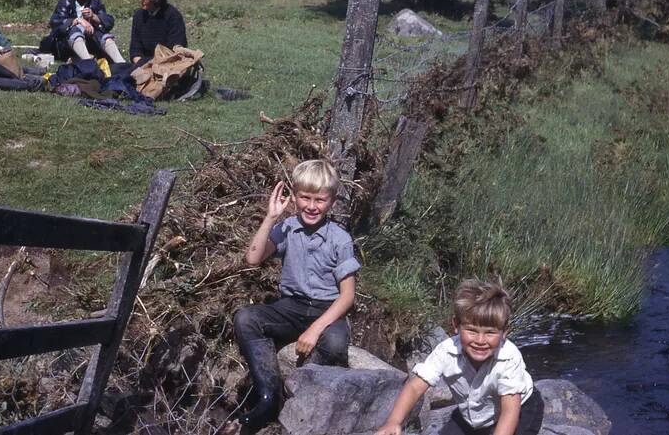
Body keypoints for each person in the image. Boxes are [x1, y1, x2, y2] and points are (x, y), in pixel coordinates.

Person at [230, 159, 360, 430]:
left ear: (332, 202)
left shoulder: (340, 238)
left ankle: (301, 402)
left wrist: (315, 330)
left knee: (335, 344)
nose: (312, 206)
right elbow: (253, 258)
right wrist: (271, 217)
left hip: (327, 310)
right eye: (305, 198)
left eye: (320, 200)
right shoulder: (287, 227)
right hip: (291, 307)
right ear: (294, 196)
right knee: (246, 318)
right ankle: (268, 395)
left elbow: (347, 297)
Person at [373, 280, 543, 435]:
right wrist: (393, 421)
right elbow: (415, 388)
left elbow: (509, 412)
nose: (480, 341)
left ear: (504, 332)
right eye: (471, 331)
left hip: (521, 409)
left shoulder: (509, 357)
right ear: (456, 325)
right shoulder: (447, 351)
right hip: (476, 412)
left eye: (490, 333)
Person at [42, 0, 126, 63]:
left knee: (104, 36)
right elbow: (55, 22)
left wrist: (94, 16)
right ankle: (88, 62)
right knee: (74, 31)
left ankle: (122, 63)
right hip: (66, 44)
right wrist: (78, 20)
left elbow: (109, 22)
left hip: (90, 42)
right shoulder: (65, 1)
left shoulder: (95, 2)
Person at [129, 0, 187, 65]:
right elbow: (135, 49)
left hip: (168, 63)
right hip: (144, 63)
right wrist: (141, 64)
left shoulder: (173, 16)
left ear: (157, 0)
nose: (142, 0)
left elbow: (176, 48)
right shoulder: (138, 16)